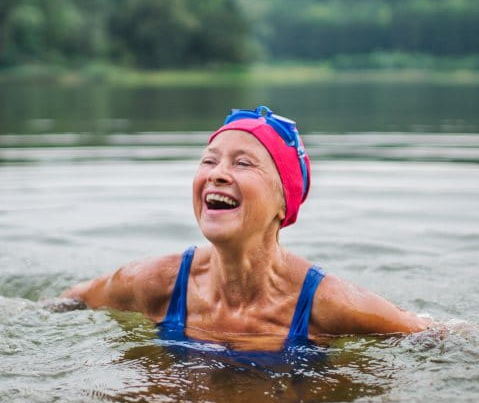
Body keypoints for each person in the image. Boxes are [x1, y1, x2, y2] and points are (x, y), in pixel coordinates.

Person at [54, 106, 439, 352]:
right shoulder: (157, 282)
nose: (217, 174)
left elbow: (431, 333)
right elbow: (73, 300)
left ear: (284, 202)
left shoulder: (328, 304)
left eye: (243, 164)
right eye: (209, 161)